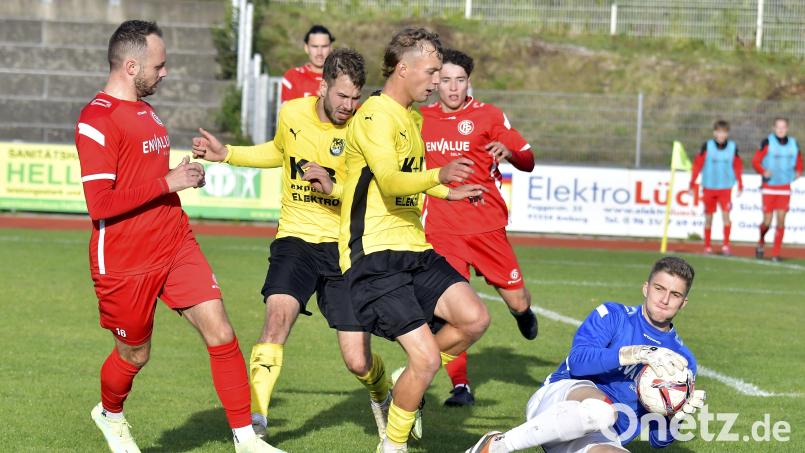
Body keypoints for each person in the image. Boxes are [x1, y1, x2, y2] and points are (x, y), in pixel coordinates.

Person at [74, 20, 281, 453]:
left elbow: (154, 178)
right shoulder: (96, 119)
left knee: (221, 331)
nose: (165, 73)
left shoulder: (148, 111)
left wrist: (186, 174)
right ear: (131, 66)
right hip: (126, 260)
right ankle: (110, 415)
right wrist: (168, 182)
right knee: (135, 356)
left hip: (174, 242)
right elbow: (100, 205)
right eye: (159, 65)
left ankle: (246, 439)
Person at [192, 48, 393, 441]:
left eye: (356, 98)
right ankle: (255, 423)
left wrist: (334, 188)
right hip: (295, 239)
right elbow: (279, 151)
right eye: (342, 97)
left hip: (343, 248)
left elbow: (374, 193)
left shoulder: (365, 129)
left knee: (357, 360)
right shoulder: (292, 114)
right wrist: (227, 154)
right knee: (275, 321)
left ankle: (383, 390)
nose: (350, 106)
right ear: (323, 87)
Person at [339, 27, 492, 453]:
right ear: (402, 69)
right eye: (431, 72)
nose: (438, 82)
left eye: (442, 73)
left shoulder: (413, 116)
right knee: (425, 359)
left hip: (413, 247)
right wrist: (437, 176)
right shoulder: (373, 115)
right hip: (374, 253)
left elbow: (409, 183)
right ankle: (393, 445)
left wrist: (447, 191)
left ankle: (410, 383)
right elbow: (389, 181)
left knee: (475, 318)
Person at [466, 257, 707, 453]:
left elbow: (658, 439)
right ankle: (497, 446)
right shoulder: (614, 315)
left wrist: (676, 415)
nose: (664, 299)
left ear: (683, 302)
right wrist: (632, 353)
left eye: (675, 294)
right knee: (601, 411)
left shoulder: (682, 361)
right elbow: (579, 363)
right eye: (659, 288)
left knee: (606, 423)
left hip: (602, 436)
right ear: (646, 288)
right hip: (557, 403)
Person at [420, 48, 538, 407]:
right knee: (452, 315)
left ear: (469, 82)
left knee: (517, 300)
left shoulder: (488, 115)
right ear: (435, 81)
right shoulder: (419, 119)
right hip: (441, 230)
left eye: (460, 80)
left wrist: (511, 152)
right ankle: (460, 386)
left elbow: (529, 160)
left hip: (487, 227)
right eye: (445, 80)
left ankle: (522, 312)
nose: (453, 88)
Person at [688, 120, 743, 255]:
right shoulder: (707, 146)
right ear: (714, 133)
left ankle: (726, 246)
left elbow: (737, 166)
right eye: (718, 132)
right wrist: (692, 183)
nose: (721, 135)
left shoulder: (732, 147)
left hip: (725, 188)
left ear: (727, 134)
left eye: (724, 132)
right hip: (709, 187)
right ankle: (707, 246)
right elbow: (697, 165)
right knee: (708, 217)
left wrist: (740, 183)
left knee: (726, 216)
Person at [753, 117, 803, 261]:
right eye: (778, 127)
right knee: (767, 222)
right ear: (774, 128)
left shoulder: (793, 144)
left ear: (787, 128)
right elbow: (756, 161)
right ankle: (761, 241)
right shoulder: (767, 142)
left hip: (785, 187)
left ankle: (775, 253)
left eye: (783, 127)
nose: (781, 129)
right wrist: (763, 171)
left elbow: (799, 161)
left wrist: (799, 170)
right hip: (769, 187)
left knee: (781, 221)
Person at [280, 24, 334, 103]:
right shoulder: (292, 76)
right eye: (315, 46)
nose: (319, 52)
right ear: (306, 48)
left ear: (331, 47)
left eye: (324, 46)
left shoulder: (342, 77)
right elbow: (288, 113)